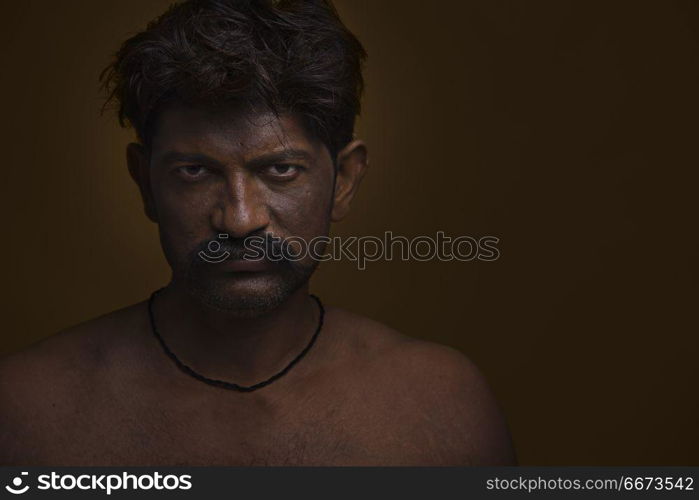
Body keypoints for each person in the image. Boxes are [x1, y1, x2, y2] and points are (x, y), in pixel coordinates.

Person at [0, 0, 515, 466]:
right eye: (195, 172)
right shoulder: (25, 414)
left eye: (281, 171)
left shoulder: (441, 408)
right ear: (145, 182)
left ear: (345, 181)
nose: (240, 219)